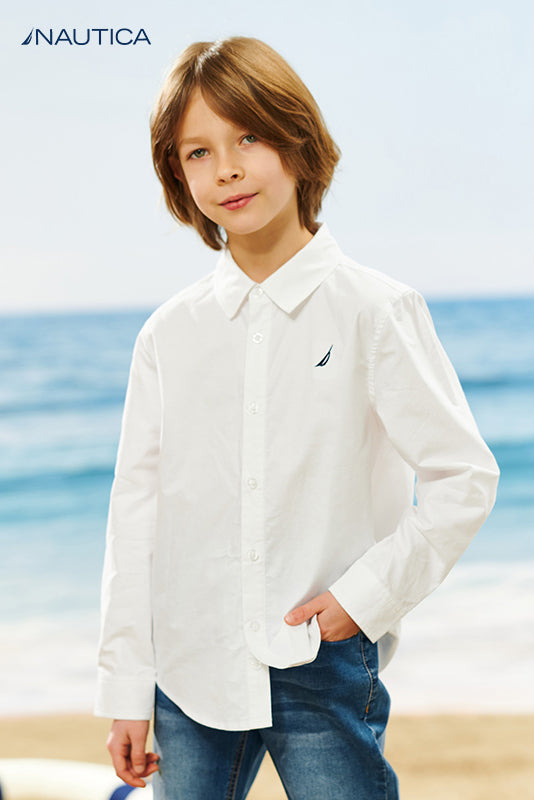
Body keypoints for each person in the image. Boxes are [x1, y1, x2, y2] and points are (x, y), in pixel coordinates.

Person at [95, 36, 499, 800]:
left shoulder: (375, 310)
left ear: (298, 141)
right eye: (198, 152)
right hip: (188, 671)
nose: (227, 168)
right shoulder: (169, 335)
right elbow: (136, 515)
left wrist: (363, 599)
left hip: (320, 659)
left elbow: (463, 478)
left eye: (249, 136)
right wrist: (125, 689)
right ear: (177, 175)